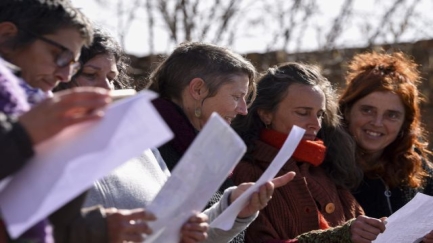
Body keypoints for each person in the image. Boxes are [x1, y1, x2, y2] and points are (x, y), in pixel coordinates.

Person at [56, 28, 209, 243]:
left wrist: (232, 211)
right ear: (60, 76)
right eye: (90, 75)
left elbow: (167, 218)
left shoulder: (141, 144)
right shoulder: (40, 146)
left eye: (111, 78)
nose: (105, 88)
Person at [148, 41, 296, 243]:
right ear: (198, 89)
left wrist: (237, 207)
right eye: (236, 96)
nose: (243, 110)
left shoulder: (207, 151)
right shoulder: (147, 150)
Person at [231, 62, 386, 243]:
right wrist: (340, 237)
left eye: (320, 114)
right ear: (266, 114)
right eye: (303, 113)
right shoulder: (244, 173)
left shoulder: (327, 169)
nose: (316, 124)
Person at [339, 51, 433, 242]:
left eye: (391, 115)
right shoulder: (321, 168)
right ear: (346, 111)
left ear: (404, 124)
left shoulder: (417, 169)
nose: (377, 122)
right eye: (367, 110)